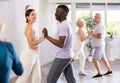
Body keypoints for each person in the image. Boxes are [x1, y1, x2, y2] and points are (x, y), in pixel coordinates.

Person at [43, 5, 76, 83]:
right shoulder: (65, 24)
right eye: (56, 11)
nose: (55, 13)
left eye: (58, 12)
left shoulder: (64, 25)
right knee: (71, 80)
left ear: (64, 14)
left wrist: (47, 36)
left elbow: (61, 44)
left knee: (50, 80)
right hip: (67, 56)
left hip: (62, 57)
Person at [15, 9, 45, 83]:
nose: (35, 16)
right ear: (27, 17)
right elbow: (31, 43)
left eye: (35, 14)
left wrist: (42, 37)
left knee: (37, 78)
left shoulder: (32, 26)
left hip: (35, 55)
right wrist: (43, 38)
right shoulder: (29, 27)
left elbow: (33, 42)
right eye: (32, 14)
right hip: (29, 56)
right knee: (23, 79)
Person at [88, 13, 112, 78]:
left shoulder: (100, 26)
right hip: (100, 45)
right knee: (103, 58)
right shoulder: (98, 25)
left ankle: (99, 73)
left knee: (94, 59)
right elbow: (98, 34)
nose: (94, 18)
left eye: (95, 17)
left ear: (99, 18)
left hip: (99, 46)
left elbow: (100, 36)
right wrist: (92, 32)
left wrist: (91, 34)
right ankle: (109, 70)